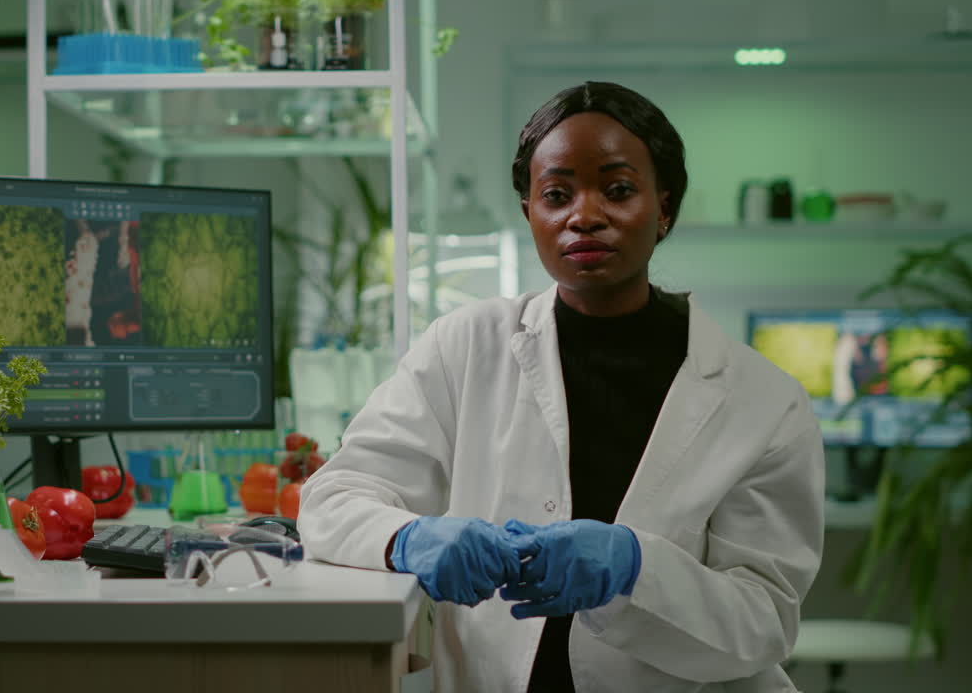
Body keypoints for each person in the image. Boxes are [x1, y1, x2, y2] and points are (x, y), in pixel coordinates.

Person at [297, 81, 825, 692]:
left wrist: (634, 570)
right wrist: (408, 537)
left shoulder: (764, 403)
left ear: (665, 208)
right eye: (556, 194)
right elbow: (333, 499)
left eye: (619, 189)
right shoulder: (465, 347)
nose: (585, 215)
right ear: (530, 214)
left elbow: (762, 623)